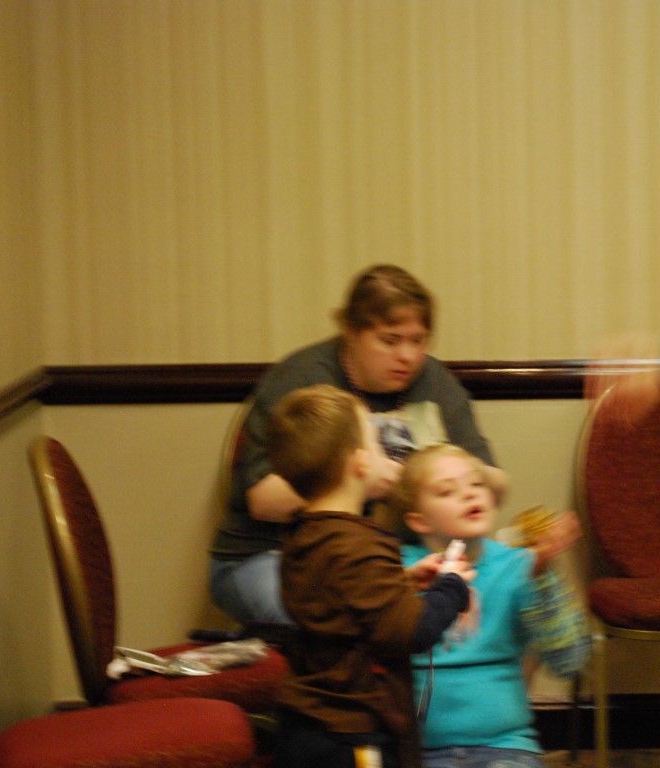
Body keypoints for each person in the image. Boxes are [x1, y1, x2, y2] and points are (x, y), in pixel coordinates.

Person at [209, 264, 508, 627]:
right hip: (273, 556)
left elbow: (494, 479)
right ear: (351, 333)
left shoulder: (434, 381)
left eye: (418, 341)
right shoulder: (303, 379)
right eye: (390, 341)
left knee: (488, 600)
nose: (408, 356)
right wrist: (361, 481)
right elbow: (263, 499)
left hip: (388, 558)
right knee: (340, 619)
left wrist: (455, 484)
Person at [267, 384, 476, 768]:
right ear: (360, 463)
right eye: (378, 445)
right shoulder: (360, 544)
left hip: (303, 724)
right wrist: (452, 586)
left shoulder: (303, 534)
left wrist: (404, 581)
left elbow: (340, 602)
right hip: (352, 735)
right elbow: (411, 632)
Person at [383, 444, 590, 768]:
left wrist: (541, 578)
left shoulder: (520, 566)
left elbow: (571, 660)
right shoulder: (396, 569)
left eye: (477, 483)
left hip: (503, 748)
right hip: (414, 753)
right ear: (419, 521)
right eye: (447, 490)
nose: (469, 494)